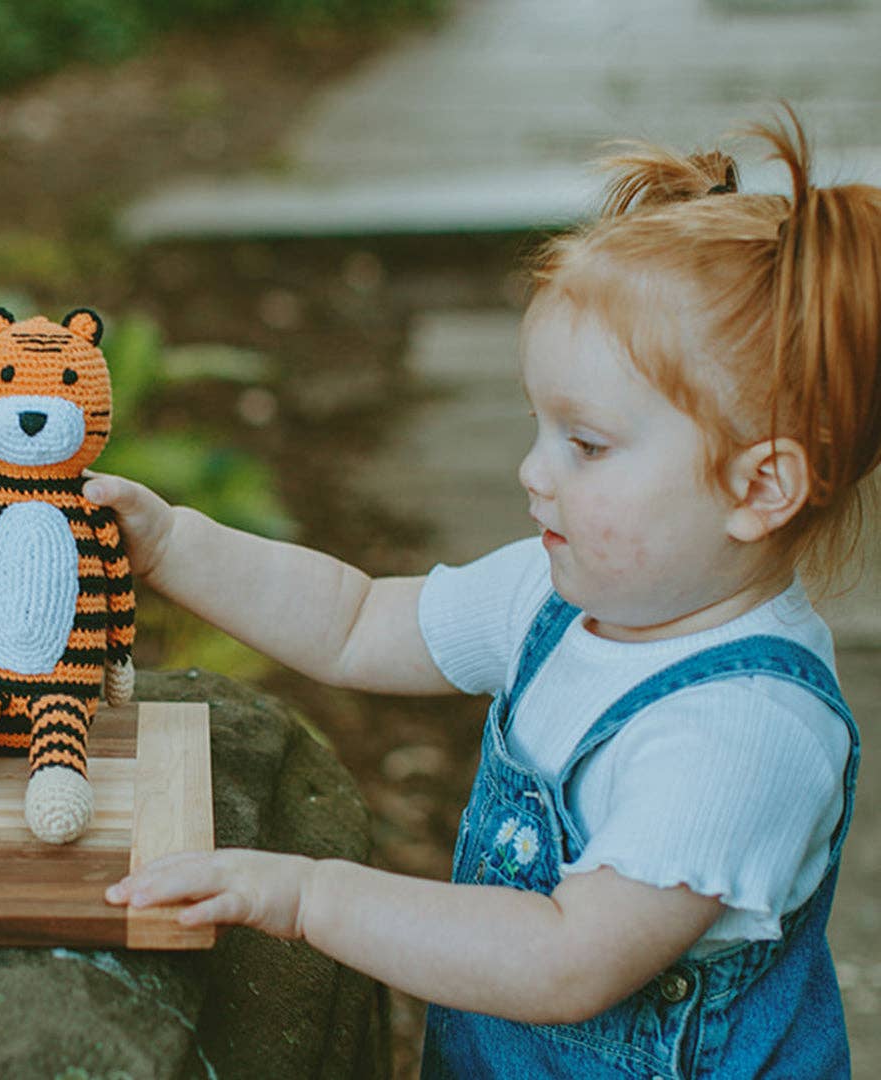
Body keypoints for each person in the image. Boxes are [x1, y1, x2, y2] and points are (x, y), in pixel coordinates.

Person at [90, 109, 876, 1078]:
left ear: (759, 488)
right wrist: (170, 543)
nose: (534, 472)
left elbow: (563, 959)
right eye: (540, 427)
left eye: (586, 445)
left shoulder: (740, 735)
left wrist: (309, 899)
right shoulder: (561, 594)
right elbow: (355, 622)